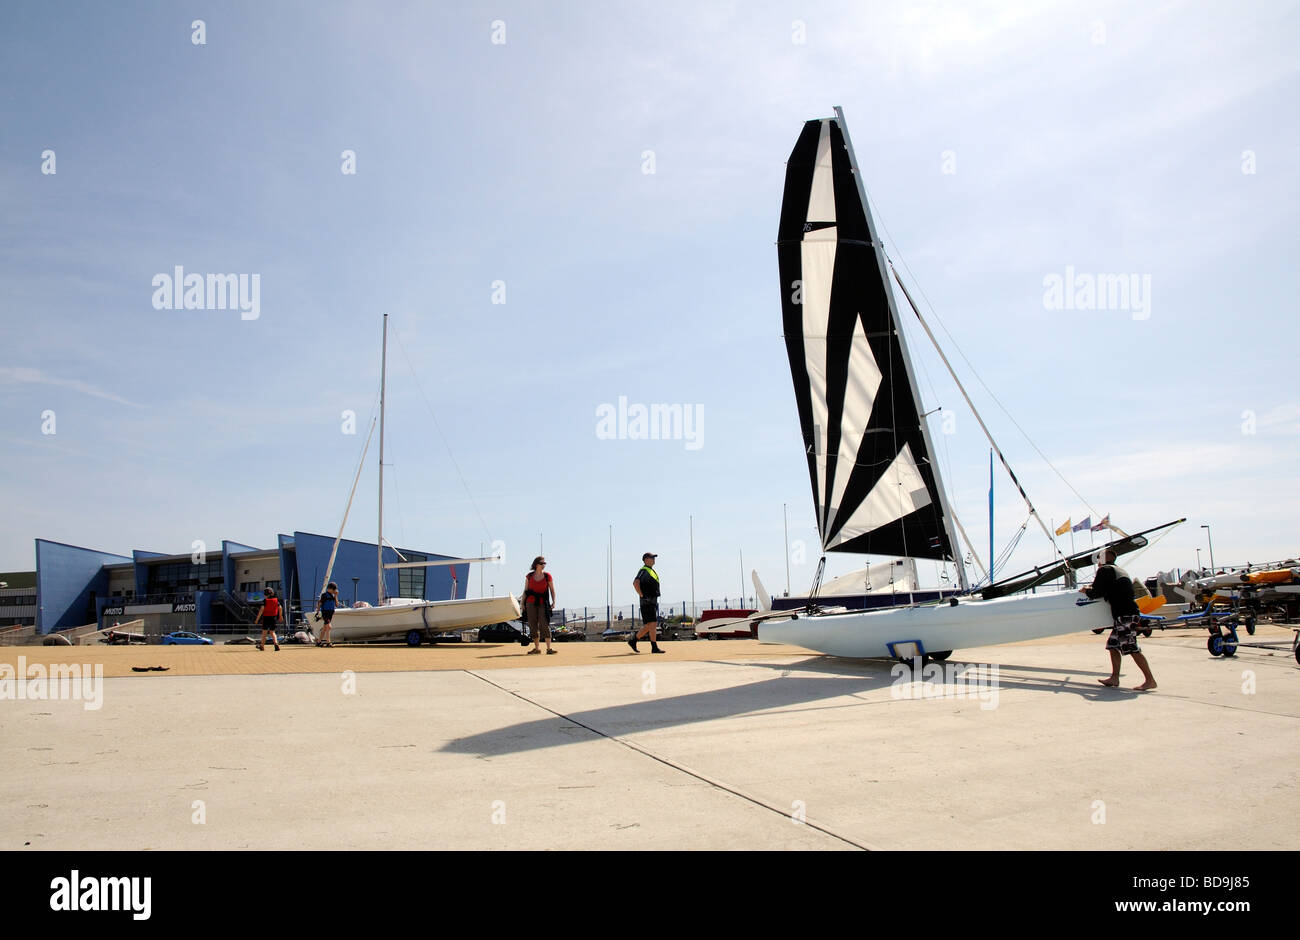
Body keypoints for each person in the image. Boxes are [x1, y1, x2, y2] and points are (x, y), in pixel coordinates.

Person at [1082, 547, 1156, 691]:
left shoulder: (1105, 570)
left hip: (1125, 615)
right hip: (1127, 613)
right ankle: (1114, 678)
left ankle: (1150, 680)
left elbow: (1096, 592)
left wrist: (1086, 590)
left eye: (1100, 557)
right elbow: (1107, 588)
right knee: (1113, 645)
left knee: (1132, 647)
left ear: (1107, 557)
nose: (1098, 561)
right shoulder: (1118, 570)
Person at [630, 552, 664, 654]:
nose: (654, 559)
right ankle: (652, 647)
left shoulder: (650, 570)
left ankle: (634, 641)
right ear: (645, 560)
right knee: (651, 624)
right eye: (651, 557)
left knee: (651, 625)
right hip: (647, 602)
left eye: (654, 558)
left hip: (652, 601)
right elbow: (635, 582)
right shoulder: (644, 570)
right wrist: (641, 595)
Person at [522, 556, 556, 655]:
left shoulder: (547, 576)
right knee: (532, 624)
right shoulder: (529, 576)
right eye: (542, 563)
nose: (544, 565)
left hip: (542, 602)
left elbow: (552, 590)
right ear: (536, 564)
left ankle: (549, 648)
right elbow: (525, 591)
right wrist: (522, 604)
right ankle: (537, 648)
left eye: (545, 563)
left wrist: (554, 602)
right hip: (530, 602)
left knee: (544, 623)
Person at [253, 587, 282, 652]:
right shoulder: (276, 600)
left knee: (264, 633)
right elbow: (280, 607)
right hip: (273, 618)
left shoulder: (265, 601)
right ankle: (276, 644)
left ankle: (262, 646)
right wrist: (280, 616)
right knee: (273, 632)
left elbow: (261, 610)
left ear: (266, 594)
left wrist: (257, 619)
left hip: (266, 618)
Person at [314, 581, 340, 647]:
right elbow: (320, 604)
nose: (334, 591)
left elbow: (337, 605)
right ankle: (328, 642)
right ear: (330, 589)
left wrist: (336, 596)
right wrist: (317, 612)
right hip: (325, 613)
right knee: (329, 627)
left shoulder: (333, 596)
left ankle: (319, 642)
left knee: (325, 628)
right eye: (334, 589)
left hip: (330, 614)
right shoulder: (324, 595)